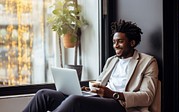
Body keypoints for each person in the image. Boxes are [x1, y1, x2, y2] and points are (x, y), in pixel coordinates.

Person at [23, 19, 159, 112]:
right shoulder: (112, 60)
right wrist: (89, 89)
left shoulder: (147, 62)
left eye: (120, 42)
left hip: (120, 105)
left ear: (132, 43)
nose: (115, 45)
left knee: (75, 100)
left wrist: (114, 94)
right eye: (114, 42)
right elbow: (100, 82)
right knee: (43, 94)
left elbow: (147, 97)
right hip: (101, 99)